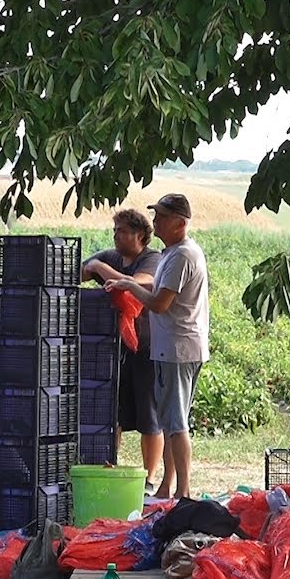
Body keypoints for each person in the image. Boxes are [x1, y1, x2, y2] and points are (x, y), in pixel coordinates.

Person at [105, 194, 209, 499]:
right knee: (170, 421)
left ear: (181, 223)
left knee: (176, 424)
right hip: (178, 347)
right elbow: (159, 287)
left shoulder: (181, 257)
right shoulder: (175, 253)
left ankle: (183, 491)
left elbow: (160, 303)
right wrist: (129, 282)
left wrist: (130, 287)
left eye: (162, 217)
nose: (156, 222)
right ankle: (167, 486)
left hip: (177, 349)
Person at [80, 208, 166, 495]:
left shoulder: (152, 259)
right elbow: (81, 271)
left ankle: (150, 479)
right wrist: (94, 266)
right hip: (113, 348)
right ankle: (109, 466)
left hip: (147, 347)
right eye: (115, 229)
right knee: (112, 412)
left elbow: (143, 282)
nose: (116, 235)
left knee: (148, 414)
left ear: (139, 235)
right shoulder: (111, 256)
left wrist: (101, 269)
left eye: (122, 231)